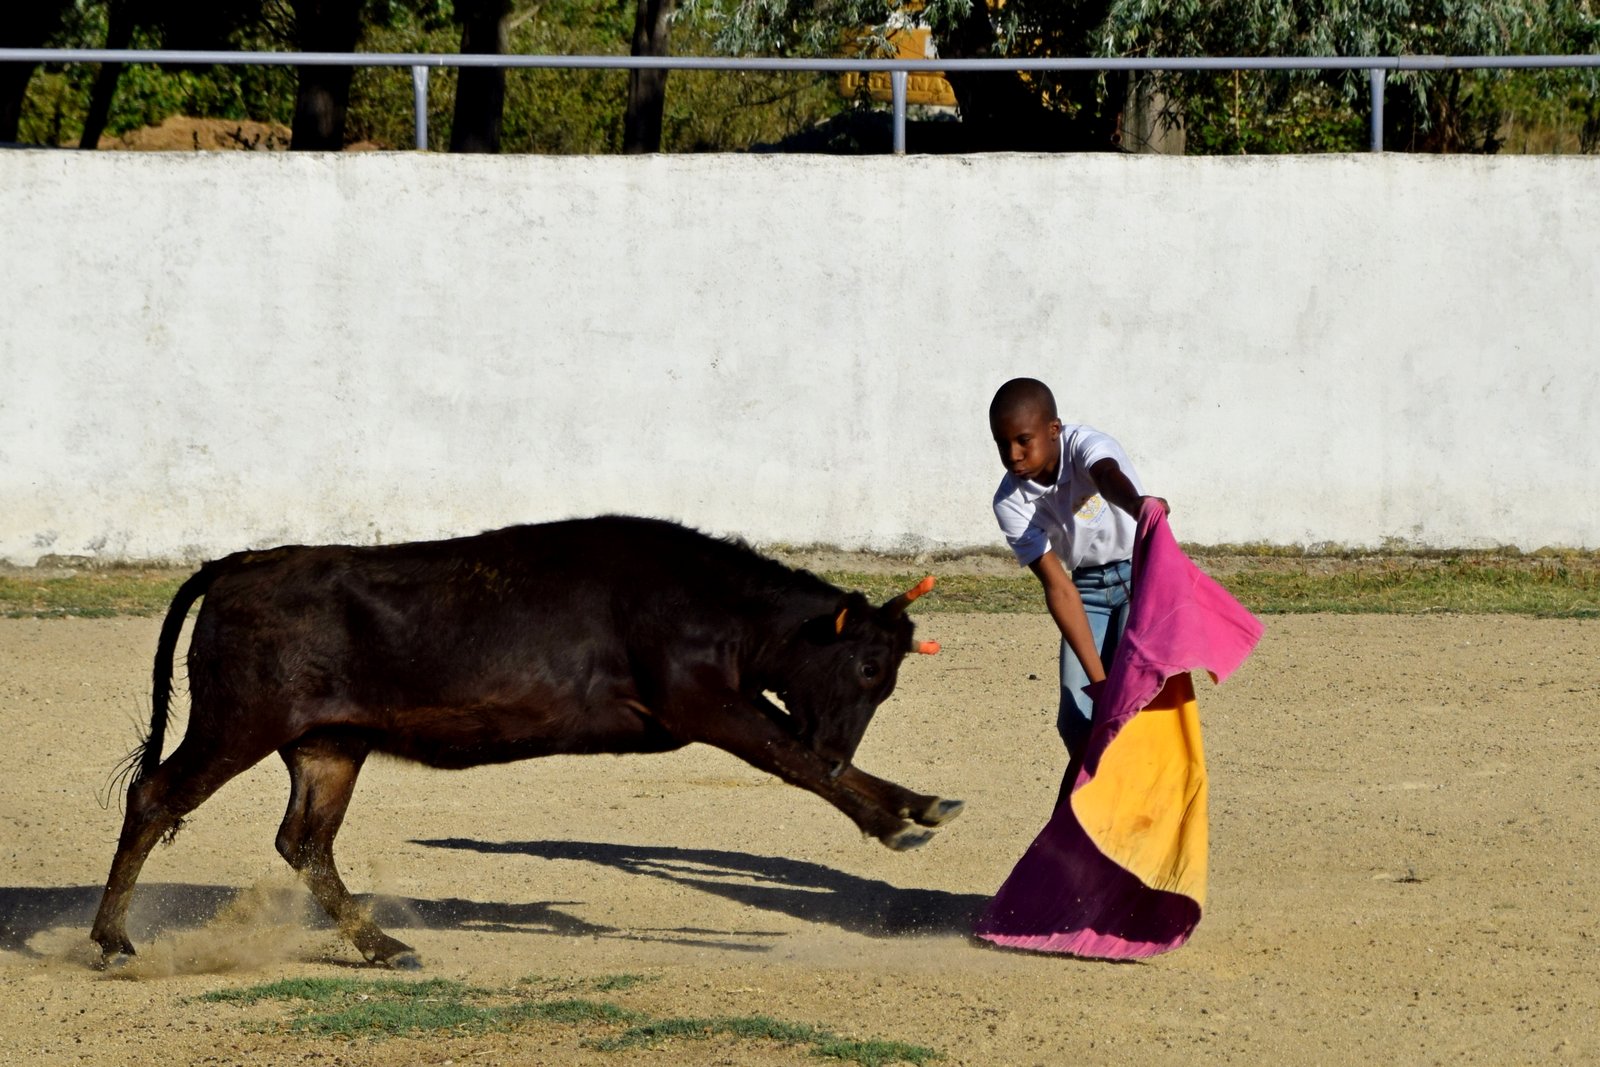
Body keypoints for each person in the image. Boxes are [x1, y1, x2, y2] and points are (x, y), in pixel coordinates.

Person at [988, 377, 1167, 764]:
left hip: (1141, 576)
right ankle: (1097, 805)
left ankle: (1144, 801)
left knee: (1133, 702)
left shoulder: (1086, 444)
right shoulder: (1009, 502)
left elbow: (1106, 475)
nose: (1013, 454)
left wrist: (1137, 505)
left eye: (1023, 440)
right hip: (1084, 590)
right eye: (1002, 444)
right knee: (1075, 720)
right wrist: (1097, 682)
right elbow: (1059, 587)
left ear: (1054, 430)